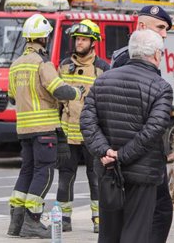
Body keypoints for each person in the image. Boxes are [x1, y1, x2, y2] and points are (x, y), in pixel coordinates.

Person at [81, 29, 173, 243]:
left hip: (108, 171)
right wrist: (121, 156)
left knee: (108, 234)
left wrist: (106, 152)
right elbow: (154, 128)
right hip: (142, 173)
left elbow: (87, 122)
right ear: (157, 55)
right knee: (136, 233)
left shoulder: (103, 80)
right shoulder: (160, 87)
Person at [6, 13, 83, 239]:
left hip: (24, 130)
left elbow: (11, 97)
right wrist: (77, 92)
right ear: (44, 39)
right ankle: (32, 220)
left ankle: (16, 222)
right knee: (44, 172)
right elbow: (59, 90)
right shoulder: (42, 63)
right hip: (43, 130)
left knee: (27, 171)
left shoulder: (15, 65)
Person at [111, 4, 174, 243]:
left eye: (166, 29)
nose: (165, 34)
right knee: (158, 212)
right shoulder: (132, 59)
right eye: (160, 27)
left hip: (133, 152)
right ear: (141, 26)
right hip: (139, 154)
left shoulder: (123, 56)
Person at [57, 19, 110, 233]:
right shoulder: (63, 66)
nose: (79, 43)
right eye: (77, 39)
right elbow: (57, 101)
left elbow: (106, 101)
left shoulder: (102, 68)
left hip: (92, 134)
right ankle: (64, 219)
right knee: (65, 177)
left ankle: (99, 219)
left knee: (95, 176)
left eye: (83, 39)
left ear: (93, 42)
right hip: (68, 133)